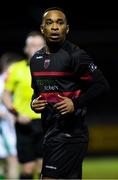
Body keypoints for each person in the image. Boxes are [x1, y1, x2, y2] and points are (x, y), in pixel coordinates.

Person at [30, 7, 109, 179]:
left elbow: (101, 85)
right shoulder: (35, 60)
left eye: (60, 22)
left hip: (70, 133)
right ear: (43, 29)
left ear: (67, 28)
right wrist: (33, 103)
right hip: (50, 132)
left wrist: (75, 103)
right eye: (49, 23)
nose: (55, 27)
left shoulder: (76, 55)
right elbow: (37, 92)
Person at [3, 31, 45, 179]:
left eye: (40, 45)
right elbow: (5, 95)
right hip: (24, 123)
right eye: (33, 45)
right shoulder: (16, 69)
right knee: (28, 167)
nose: (37, 48)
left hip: (46, 122)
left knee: (44, 166)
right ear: (26, 49)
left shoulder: (52, 68)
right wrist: (16, 114)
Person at [0, 53, 21, 179]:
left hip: (11, 128)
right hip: (3, 129)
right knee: (13, 160)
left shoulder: (13, 82)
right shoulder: (1, 83)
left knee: (8, 165)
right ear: (6, 67)